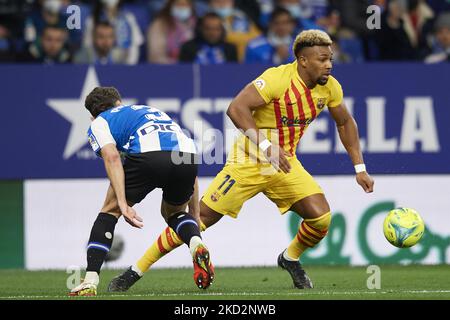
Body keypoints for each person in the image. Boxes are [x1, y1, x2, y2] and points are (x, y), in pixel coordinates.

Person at [108, 29, 374, 292]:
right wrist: (267, 146)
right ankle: (133, 273)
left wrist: (359, 168)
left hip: (284, 163)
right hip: (247, 162)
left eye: (330, 59)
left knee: (321, 218)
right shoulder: (277, 79)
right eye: (322, 59)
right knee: (198, 219)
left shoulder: (329, 88)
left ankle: (290, 259)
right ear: (303, 60)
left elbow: (345, 122)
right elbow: (236, 108)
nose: (329, 65)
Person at [69, 87, 214, 296]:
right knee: (173, 213)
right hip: (188, 156)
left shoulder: (100, 121)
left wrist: (122, 204)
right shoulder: (151, 111)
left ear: (93, 114)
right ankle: (195, 243)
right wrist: (196, 213)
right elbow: (187, 157)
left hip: (150, 156)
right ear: (119, 102)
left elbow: (112, 157)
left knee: (109, 212)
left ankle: (90, 281)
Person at [83, 0, 144, 65]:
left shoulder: (128, 18)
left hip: (122, 66)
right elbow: (88, 47)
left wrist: (129, 67)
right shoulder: (92, 20)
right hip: (97, 64)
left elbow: (134, 47)